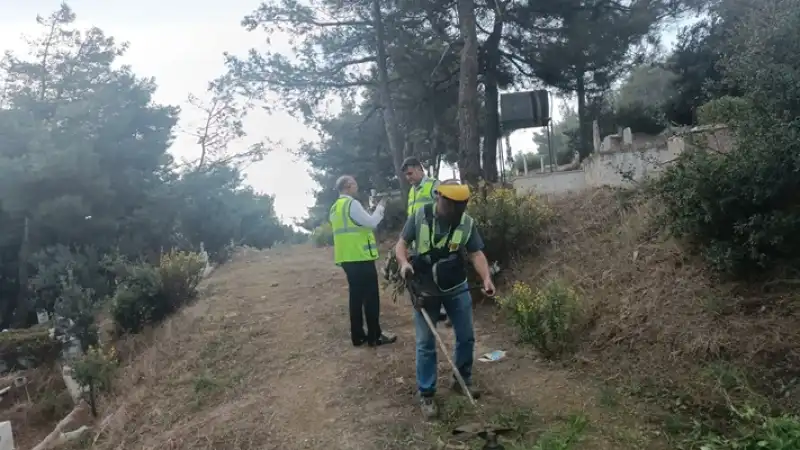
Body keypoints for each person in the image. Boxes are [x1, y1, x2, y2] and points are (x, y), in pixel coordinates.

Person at [394, 180, 496, 419]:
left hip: (455, 284)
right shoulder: (420, 216)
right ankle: (427, 393)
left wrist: (486, 279)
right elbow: (402, 244)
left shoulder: (465, 222)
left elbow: (475, 253)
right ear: (439, 197)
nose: (455, 211)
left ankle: (462, 380)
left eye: (460, 206)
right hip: (425, 285)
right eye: (451, 205)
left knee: (466, 336)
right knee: (426, 342)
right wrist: (404, 263)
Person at [330, 175, 397, 348]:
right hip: (361, 257)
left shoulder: (335, 207)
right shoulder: (351, 204)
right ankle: (375, 336)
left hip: (346, 258)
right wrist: (380, 207)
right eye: (355, 185)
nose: (356, 188)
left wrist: (369, 208)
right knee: (371, 297)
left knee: (356, 297)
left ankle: (358, 336)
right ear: (348, 186)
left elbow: (356, 225)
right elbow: (372, 222)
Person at [401, 157, 448, 324]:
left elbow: (445, 209)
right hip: (418, 241)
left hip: (435, 240)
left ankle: (448, 309)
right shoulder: (413, 191)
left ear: (420, 169)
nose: (409, 178)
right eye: (406, 175)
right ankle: (435, 307)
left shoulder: (434, 185)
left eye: (411, 173)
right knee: (425, 275)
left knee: (441, 273)